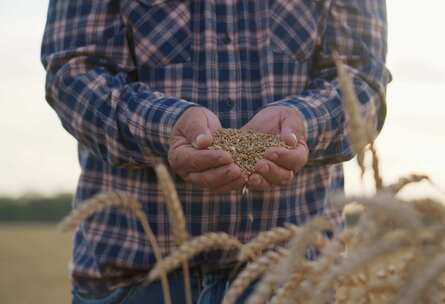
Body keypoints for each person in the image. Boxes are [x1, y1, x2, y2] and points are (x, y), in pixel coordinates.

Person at [41, 0, 390, 303]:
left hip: (295, 276)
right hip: (138, 275)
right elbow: (72, 72)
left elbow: (363, 80)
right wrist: (166, 126)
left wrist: (305, 123)